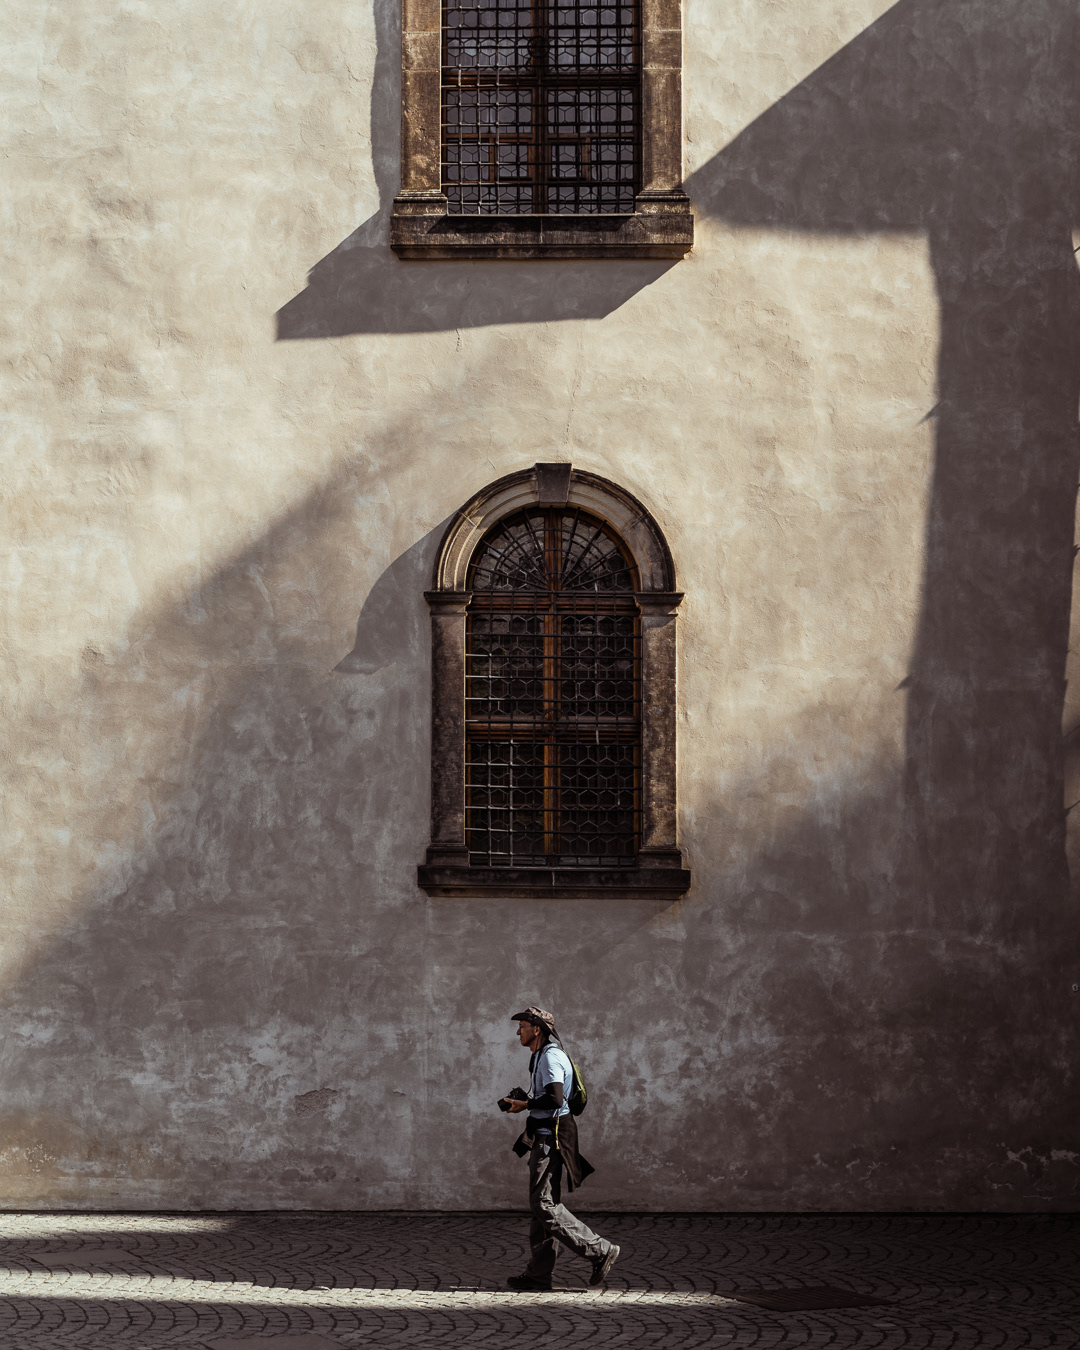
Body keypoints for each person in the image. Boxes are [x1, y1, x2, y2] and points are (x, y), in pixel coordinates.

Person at [501, 1005, 620, 1291]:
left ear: (537, 1029)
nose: (518, 1031)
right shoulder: (542, 1056)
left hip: (551, 1137)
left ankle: (599, 1250)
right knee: (543, 1206)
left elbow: (555, 1099)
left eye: (523, 1026)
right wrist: (525, 1102)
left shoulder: (550, 1058)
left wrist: (526, 1104)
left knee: (543, 1204)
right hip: (547, 1133)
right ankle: (539, 1274)